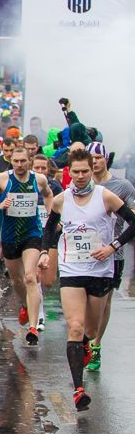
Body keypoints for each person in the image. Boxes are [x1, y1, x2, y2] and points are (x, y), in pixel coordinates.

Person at [39, 148, 135, 411]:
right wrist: (46, 254)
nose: (80, 176)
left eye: (85, 171)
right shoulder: (61, 200)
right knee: (75, 327)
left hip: (100, 271)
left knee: (91, 331)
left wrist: (113, 247)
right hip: (71, 271)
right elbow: (49, 230)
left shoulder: (106, 197)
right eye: (76, 172)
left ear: (93, 170)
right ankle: (78, 390)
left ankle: (87, 345)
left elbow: (133, 222)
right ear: (69, 172)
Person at [0, 146, 55, 345]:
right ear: (12, 162)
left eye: (23, 161)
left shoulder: (39, 179)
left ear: (30, 161)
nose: (19, 165)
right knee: (17, 281)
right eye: (16, 161)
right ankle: (26, 306)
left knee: (30, 276)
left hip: (32, 234)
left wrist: (52, 218)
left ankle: (33, 328)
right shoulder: (2, 179)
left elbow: (48, 195)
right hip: (9, 237)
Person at [85, 141, 135, 369]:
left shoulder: (122, 186)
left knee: (104, 301)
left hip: (113, 251)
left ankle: (95, 345)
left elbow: (132, 211)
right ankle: (84, 336)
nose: (94, 162)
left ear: (106, 159)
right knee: (84, 299)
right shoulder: (80, 182)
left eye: (98, 157)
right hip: (83, 252)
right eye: (90, 158)